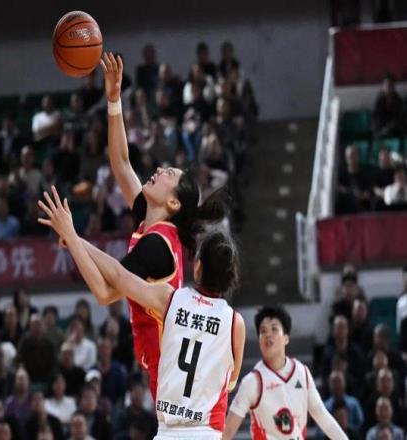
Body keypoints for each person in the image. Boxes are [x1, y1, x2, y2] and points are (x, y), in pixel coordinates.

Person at [71, 52, 229, 402]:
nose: (158, 171)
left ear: (173, 203)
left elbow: (105, 292)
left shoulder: (157, 246)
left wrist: (73, 237)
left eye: (168, 174)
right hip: (167, 370)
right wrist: (114, 101)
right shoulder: (152, 219)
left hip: (172, 374)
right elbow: (121, 162)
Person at [38, 188, 245, 438]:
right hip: (207, 433)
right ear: (230, 277)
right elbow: (230, 382)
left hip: (168, 432)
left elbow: (118, 274)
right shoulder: (235, 324)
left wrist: (73, 237)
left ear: (197, 267)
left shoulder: (170, 298)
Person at [223, 306, 347, 440]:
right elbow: (228, 431)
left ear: (286, 338)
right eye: (263, 331)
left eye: (274, 329)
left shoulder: (302, 372)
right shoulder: (252, 382)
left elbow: (323, 417)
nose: (268, 334)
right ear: (259, 340)